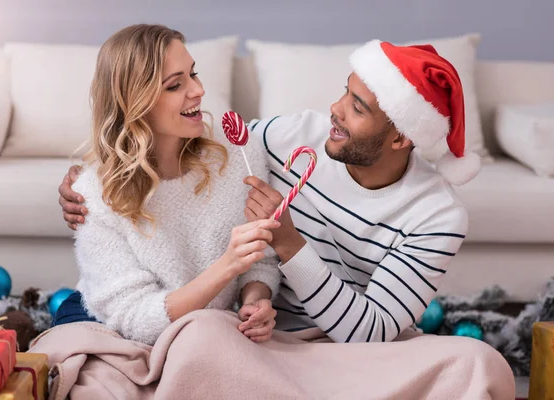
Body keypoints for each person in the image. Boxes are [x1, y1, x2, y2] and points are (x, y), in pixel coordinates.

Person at [57, 34, 516, 398]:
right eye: (345, 92)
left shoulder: (437, 216)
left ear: (400, 138)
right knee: (204, 335)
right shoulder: (288, 138)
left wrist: (289, 243)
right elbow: (181, 148)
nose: (335, 110)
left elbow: (371, 332)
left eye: (358, 108)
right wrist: (89, 179)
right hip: (249, 341)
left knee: (479, 363)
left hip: (346, 353)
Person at [55, 23, 283, 346]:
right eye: (175, 85)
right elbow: (136, 321)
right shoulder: (95, 194)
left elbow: (259, 260)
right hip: (111, 324)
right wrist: (226, 266)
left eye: (194, 73)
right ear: (136, 103)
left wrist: (255, 300)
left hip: (200, 332)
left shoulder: (238, 155)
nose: (198, 90)